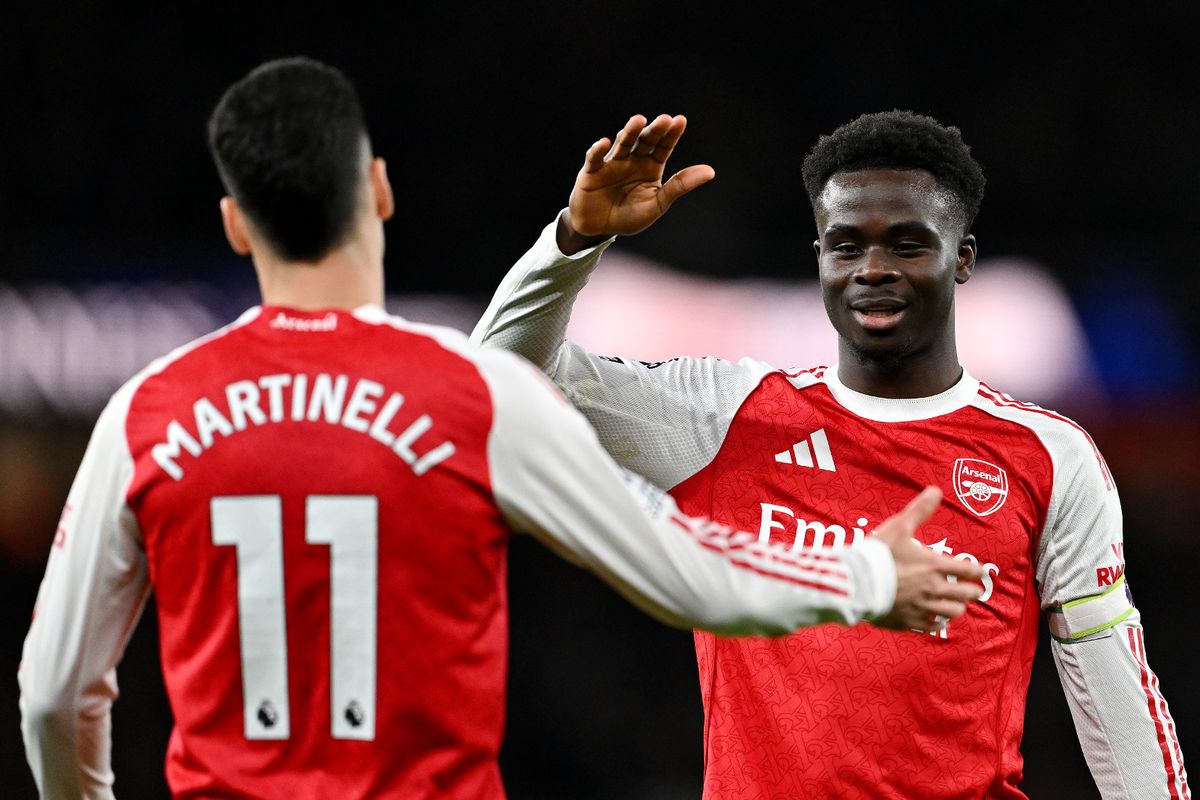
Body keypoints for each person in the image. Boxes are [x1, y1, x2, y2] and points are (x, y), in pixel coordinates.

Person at [17, 61, 982, 800]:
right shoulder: (470, 396)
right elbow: (685, 573)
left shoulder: (149, 411)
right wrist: (864, 573)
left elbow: (55, 696)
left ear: (235, 224)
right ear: (381, 189)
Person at [472, 111, 1189, 799]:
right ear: (819, 258)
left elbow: (1113, 688)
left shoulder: (1048, 456)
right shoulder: (725, 415)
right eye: (847, 245)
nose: (872, 268)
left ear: (961, 257)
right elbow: (495, 382)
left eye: (907, 244)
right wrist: (572, 243)